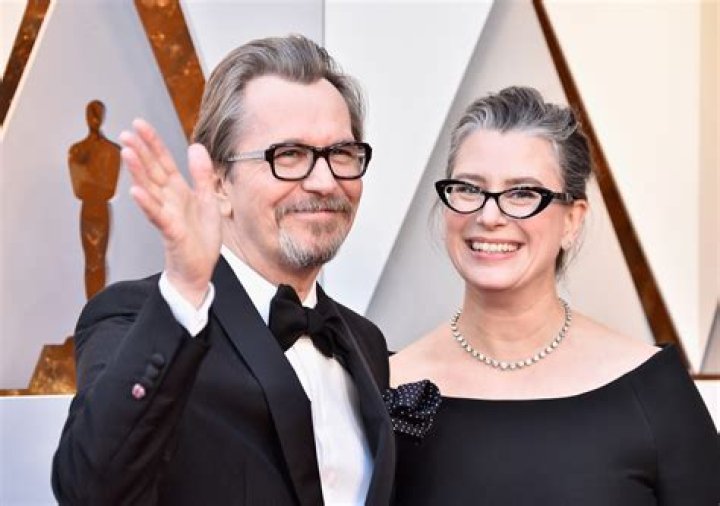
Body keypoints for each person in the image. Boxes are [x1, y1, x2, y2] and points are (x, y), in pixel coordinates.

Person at [52, 35, 394, 505]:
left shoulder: (366, 342)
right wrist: (186, 288)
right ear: (217, 183)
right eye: (289, 155)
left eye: (341, 154)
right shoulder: (138, 316)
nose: (324, 181)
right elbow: (90, 488)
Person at [389, 86, 720, 505]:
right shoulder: (388, 386)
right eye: (469, 188)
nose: (489, 216)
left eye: (523, 193)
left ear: (572, 221)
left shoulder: (651, 387)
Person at [67, 99, 121, 299]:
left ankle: (96, 307)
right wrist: (93, 179)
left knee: (98, 259)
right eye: (91, 114)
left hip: (99, 211)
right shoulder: (76, 151)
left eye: (97, 114)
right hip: (88, 211)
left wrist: (89, 177)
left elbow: (108, 190)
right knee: (91, 262)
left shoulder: (112, 151)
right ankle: (92, 307)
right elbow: (79, 190)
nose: (94, 119)